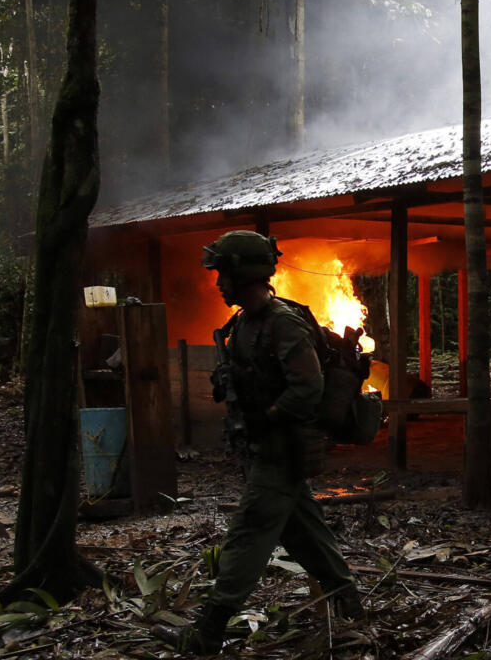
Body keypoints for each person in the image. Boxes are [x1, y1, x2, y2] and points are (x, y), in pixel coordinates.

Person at [152, 230, 362, 654]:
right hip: (266, 448)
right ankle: (350, 603)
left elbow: (307, 387)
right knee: (303, 531)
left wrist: (267, 417)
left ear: (244, 274)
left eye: (223, 274)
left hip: (282, 449)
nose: (218, 283)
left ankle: (208, 632)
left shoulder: (283, 322)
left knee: (248, 534)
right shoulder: (244, 324)